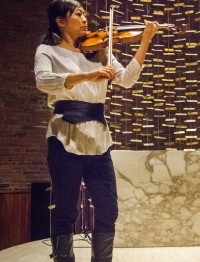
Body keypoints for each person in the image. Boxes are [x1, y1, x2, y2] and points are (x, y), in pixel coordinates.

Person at [34, 0, 159, 261]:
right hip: (64, 135)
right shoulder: (48, 51)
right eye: (78, 14)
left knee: (108, 209)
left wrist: (145, 42)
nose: (84, 19)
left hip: (98, 138)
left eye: (85, 14)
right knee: (65, 209)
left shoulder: (100, 50)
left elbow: (126, 79)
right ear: (60, 20)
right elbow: (43, 81)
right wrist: (88, 76)